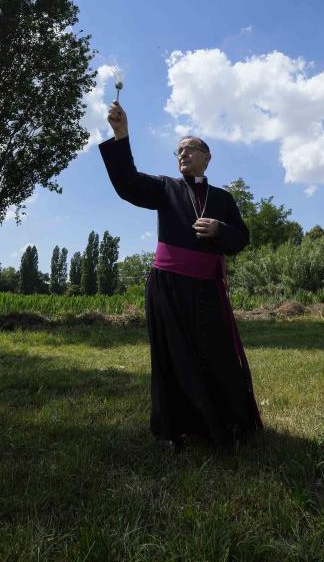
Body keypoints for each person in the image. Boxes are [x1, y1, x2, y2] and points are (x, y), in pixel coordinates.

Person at [101, 101, 261, 451]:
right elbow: (127, 183)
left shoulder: (222, 198)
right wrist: (121, 134)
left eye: (190, 148)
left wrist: (220, 229)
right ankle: (170, 431)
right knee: (171, 357)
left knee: (216, 353)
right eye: (178, 151)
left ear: (207, 157)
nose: (182, 154)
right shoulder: (165, 188)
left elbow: (241, 239)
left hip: (207, 288)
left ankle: (228, 425)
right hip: (168, 286)